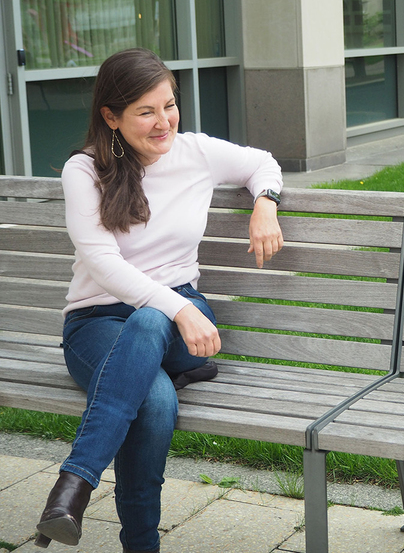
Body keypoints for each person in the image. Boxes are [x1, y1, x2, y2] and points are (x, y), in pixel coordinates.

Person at [35, 48, 285, 552]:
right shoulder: (83, 171)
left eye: (168, 106)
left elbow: (263, 163)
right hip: (97, 321)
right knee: (154, 399)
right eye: (145, 112)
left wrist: (265, 204)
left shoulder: (195, 152)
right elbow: (104, 265)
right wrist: (175, 307)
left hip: (183, 319)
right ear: (111, 116)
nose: (163, 122)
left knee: (151, 323)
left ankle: (72, 488)